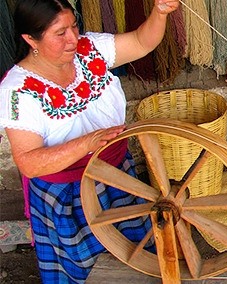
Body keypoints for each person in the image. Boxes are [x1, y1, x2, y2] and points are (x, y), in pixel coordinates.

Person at [0, 0, 179, 282]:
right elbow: (29, 163)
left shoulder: (89, 49)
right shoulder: (18, 91)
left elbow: (141, 43)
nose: (73, 38)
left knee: (136, 252)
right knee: (87, 269)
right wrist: (86, 143)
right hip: (69, 195)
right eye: (60, 33)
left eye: (74, 26)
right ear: (30, 39)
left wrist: (159, 13)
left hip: (118, 173)